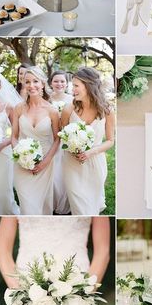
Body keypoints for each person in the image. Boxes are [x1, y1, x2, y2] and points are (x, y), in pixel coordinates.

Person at [61, 67, 115, 215]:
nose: (73, 89)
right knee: (79, 205)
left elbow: (110, 141)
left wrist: (91, 152)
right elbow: (62, 136)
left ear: (89, 85)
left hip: (95, 162)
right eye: (73, 86)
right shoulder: (68, 109)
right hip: (72, 163)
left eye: (76, 85)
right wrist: (72, 149)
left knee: (91, 203)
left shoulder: (107, 111)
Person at [12, 66, 59, 215]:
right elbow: (14, 136)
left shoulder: (52, 110)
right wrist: (20, 157)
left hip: (45, 162)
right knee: (27, 205)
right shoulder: (18, 108)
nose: (31, 85)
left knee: (43, 204)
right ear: (23, 84)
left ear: (43, 84)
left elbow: (57, 139)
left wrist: (46, 161)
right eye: (27, 82)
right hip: (22, 163)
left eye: (35, 81)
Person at [49, 70, 72, 214]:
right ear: (51, 83)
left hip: (66, 139)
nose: (59, 84)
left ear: (67, 83)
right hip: (49, 138)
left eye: (62, 81)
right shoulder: (46, 99)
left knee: (64, 172)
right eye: (56, 81)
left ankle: (65, 203)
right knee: (53, 173)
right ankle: (52, 202)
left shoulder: (71, 99)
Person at [0, 74, 21, 214]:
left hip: (3, 151)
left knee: (3, 188)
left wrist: (3, 144)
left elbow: (16, 132)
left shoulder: (8, 107)